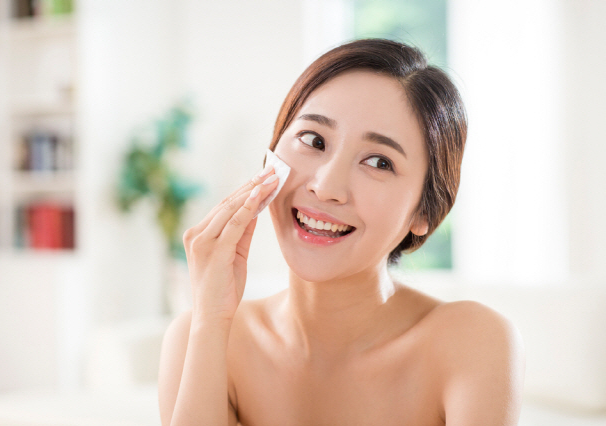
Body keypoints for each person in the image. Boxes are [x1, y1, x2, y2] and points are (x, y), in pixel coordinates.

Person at [158, 39, 525, 426]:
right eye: (314, 140)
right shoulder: (202, 339)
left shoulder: (471, 343)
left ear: (425, 212)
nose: (325, 187)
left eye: (379, 162)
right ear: (271, 155)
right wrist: (210, 322)